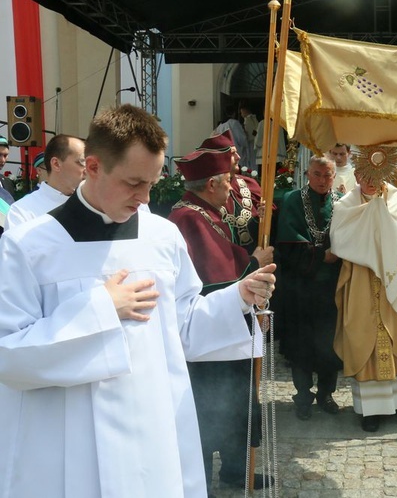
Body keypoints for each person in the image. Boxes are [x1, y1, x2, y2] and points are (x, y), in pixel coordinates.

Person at [0, 104, 277, 498]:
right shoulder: (28, 247)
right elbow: (9, 356)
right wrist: (100, 309)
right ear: (92, 167)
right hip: (68, 442)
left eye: (151, 182)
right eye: (133, 183)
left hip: (153, 431)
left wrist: (237, 298)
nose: (145, 197)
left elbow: (182, 326)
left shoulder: (162, 237)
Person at [168, 148, 271, 492]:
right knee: (210, 408)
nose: (232, 187)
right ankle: (202, 483)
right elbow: (214, 278)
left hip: (230, 327)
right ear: (211, 183)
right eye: (227, 181)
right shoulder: (189, 218)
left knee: (239, 403)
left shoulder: (209, 212)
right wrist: (254, 264)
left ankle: (236, 469)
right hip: (207, 335)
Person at [330, 153, 397, 432]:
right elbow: (339, 239)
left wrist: (384, 219)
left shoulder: (396, 199)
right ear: (357, 176)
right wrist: (370, 228)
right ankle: (371, 409)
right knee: (363, 334)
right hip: (361, 276)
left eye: (376, 178)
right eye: (365, 177)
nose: (371, 183)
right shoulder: (346, 204)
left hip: (394, 275)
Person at [276, 155, 343, 421]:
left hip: (330, 288)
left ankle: (327, 393)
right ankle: (303, 395)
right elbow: (288, 239)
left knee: (329, 344)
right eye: (317, 174)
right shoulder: (293, 199)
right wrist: (319, 256)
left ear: (334, 177)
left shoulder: (341, 203)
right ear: (307, 174)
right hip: (299, 288)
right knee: (300, 345)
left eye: (327, 176)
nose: (322, 180)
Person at [197, 129, 274, 268]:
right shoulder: (207, 193)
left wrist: (263, 217)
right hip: (227, 264)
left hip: (256, 260)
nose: (238, 157)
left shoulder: (249, 184)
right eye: (232, 154)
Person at [4, 134, 86, 230]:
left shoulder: (94, 206)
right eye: (82, 162)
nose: (88, 169)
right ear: (56, 164)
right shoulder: (21, 212)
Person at [214, 105, 251, 172]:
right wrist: (246, 134)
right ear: (234, 113)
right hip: (235, 152)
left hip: (224, 155)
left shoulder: (220, 126)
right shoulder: (234, 123)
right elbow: (242, 139)